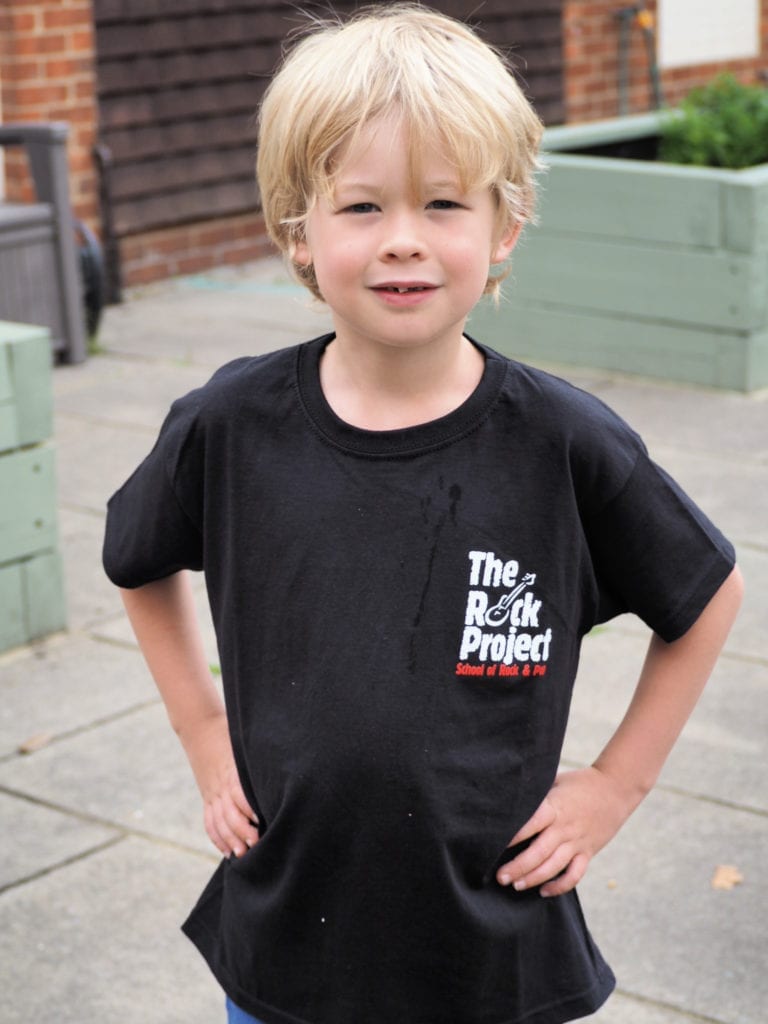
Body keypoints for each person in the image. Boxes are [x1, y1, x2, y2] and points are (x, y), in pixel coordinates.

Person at [102, 5, 743, 1024]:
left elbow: (707, 595)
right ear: (296, 231)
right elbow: (135, 558)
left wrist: (615, 785)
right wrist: (203, 730)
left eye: (444, 202)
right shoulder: (228, 425)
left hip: (492, 956)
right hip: (283, 949)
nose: (403, 240)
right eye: (361, 207)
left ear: (505, 226)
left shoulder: (566, 444)